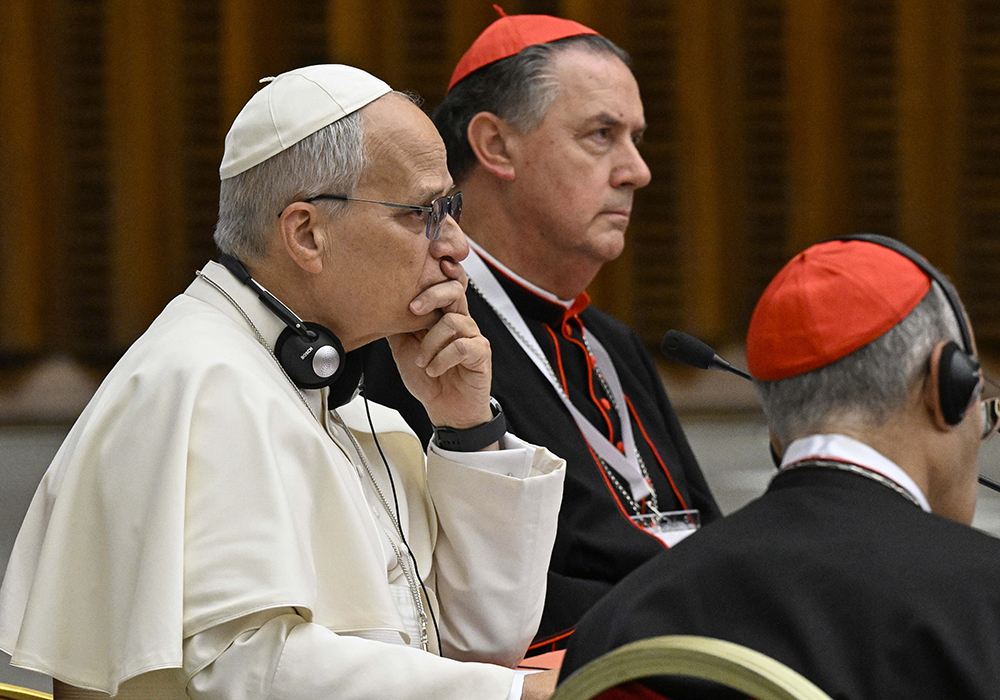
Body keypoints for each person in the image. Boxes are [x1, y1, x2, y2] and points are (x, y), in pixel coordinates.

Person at [0, 64, 568, 700]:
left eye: (451, 208)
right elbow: (242, 670)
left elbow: (481, 644)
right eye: (426, 212)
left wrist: (467, 429)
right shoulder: (202, 382)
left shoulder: (343, 402)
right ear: (306, 233)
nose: (457, 246)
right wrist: (514, 696)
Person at [362, 10, 720, 652]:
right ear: (496, 146)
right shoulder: (417, 337)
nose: (636, 170)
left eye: (637, 138)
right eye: (601, 135)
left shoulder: (611, 342)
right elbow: (443, 592)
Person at [559, 235, 1000, 699]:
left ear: (777, 432)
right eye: (984, 409)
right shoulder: (985, 608)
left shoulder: (620, 625)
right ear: (943, 388)